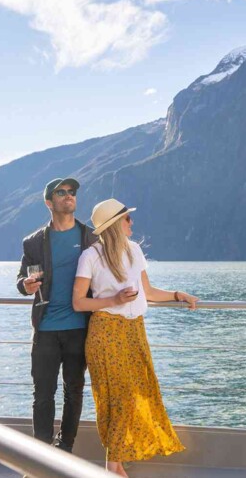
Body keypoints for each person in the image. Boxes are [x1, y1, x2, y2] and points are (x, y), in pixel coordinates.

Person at [72, 198, 199, 477]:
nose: (132, 222)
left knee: (136, 394)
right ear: (116, 224)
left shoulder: (134, 250)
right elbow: (79, 302)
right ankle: (114, 467)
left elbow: (149, 293)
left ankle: (114, 463)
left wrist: (178, 295)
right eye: (127, 219)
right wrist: (114, 299)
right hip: (106, 332)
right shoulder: (90, 256)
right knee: (119, 398)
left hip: (134, 332)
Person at [16, 177, 99, 452]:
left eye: (72, 192)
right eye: (61, 192)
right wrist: (25, 286)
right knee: (42, 395)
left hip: (80, 328)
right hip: (46, 329)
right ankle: (41, 453)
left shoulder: (91, 238)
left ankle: (65, 450)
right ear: (49, 202)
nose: (69, 196)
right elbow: (21, 279)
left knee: (74, 391)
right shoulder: (33, 242)